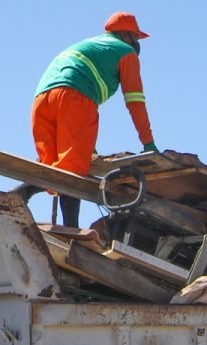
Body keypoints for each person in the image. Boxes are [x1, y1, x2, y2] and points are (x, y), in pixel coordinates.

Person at [32, 12, 159, 227]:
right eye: (136, 38)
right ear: (127, 35)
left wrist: (88, 148)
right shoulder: (125, 52)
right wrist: (148, 143)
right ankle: (72, 232)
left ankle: (16, 196)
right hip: (74, 97)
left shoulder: (90, 45)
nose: (137, 44)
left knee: (52, 170)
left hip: (42, 99)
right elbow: (135, 101)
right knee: (72, 170)